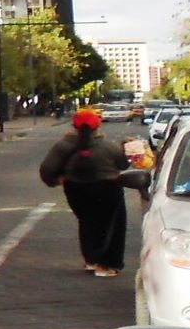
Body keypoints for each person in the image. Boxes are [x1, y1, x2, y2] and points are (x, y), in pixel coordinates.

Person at [39, 108, 131, 277]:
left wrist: (55, 180)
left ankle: (91, 260)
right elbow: (123, 165)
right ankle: (108, 265)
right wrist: (126, 147)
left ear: (73, 126)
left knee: (87, 222)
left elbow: (47, 169)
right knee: (112, 226)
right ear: (98, 127)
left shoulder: (63, 146)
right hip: (107, 188)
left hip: (75, 189)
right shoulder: (109, 146)